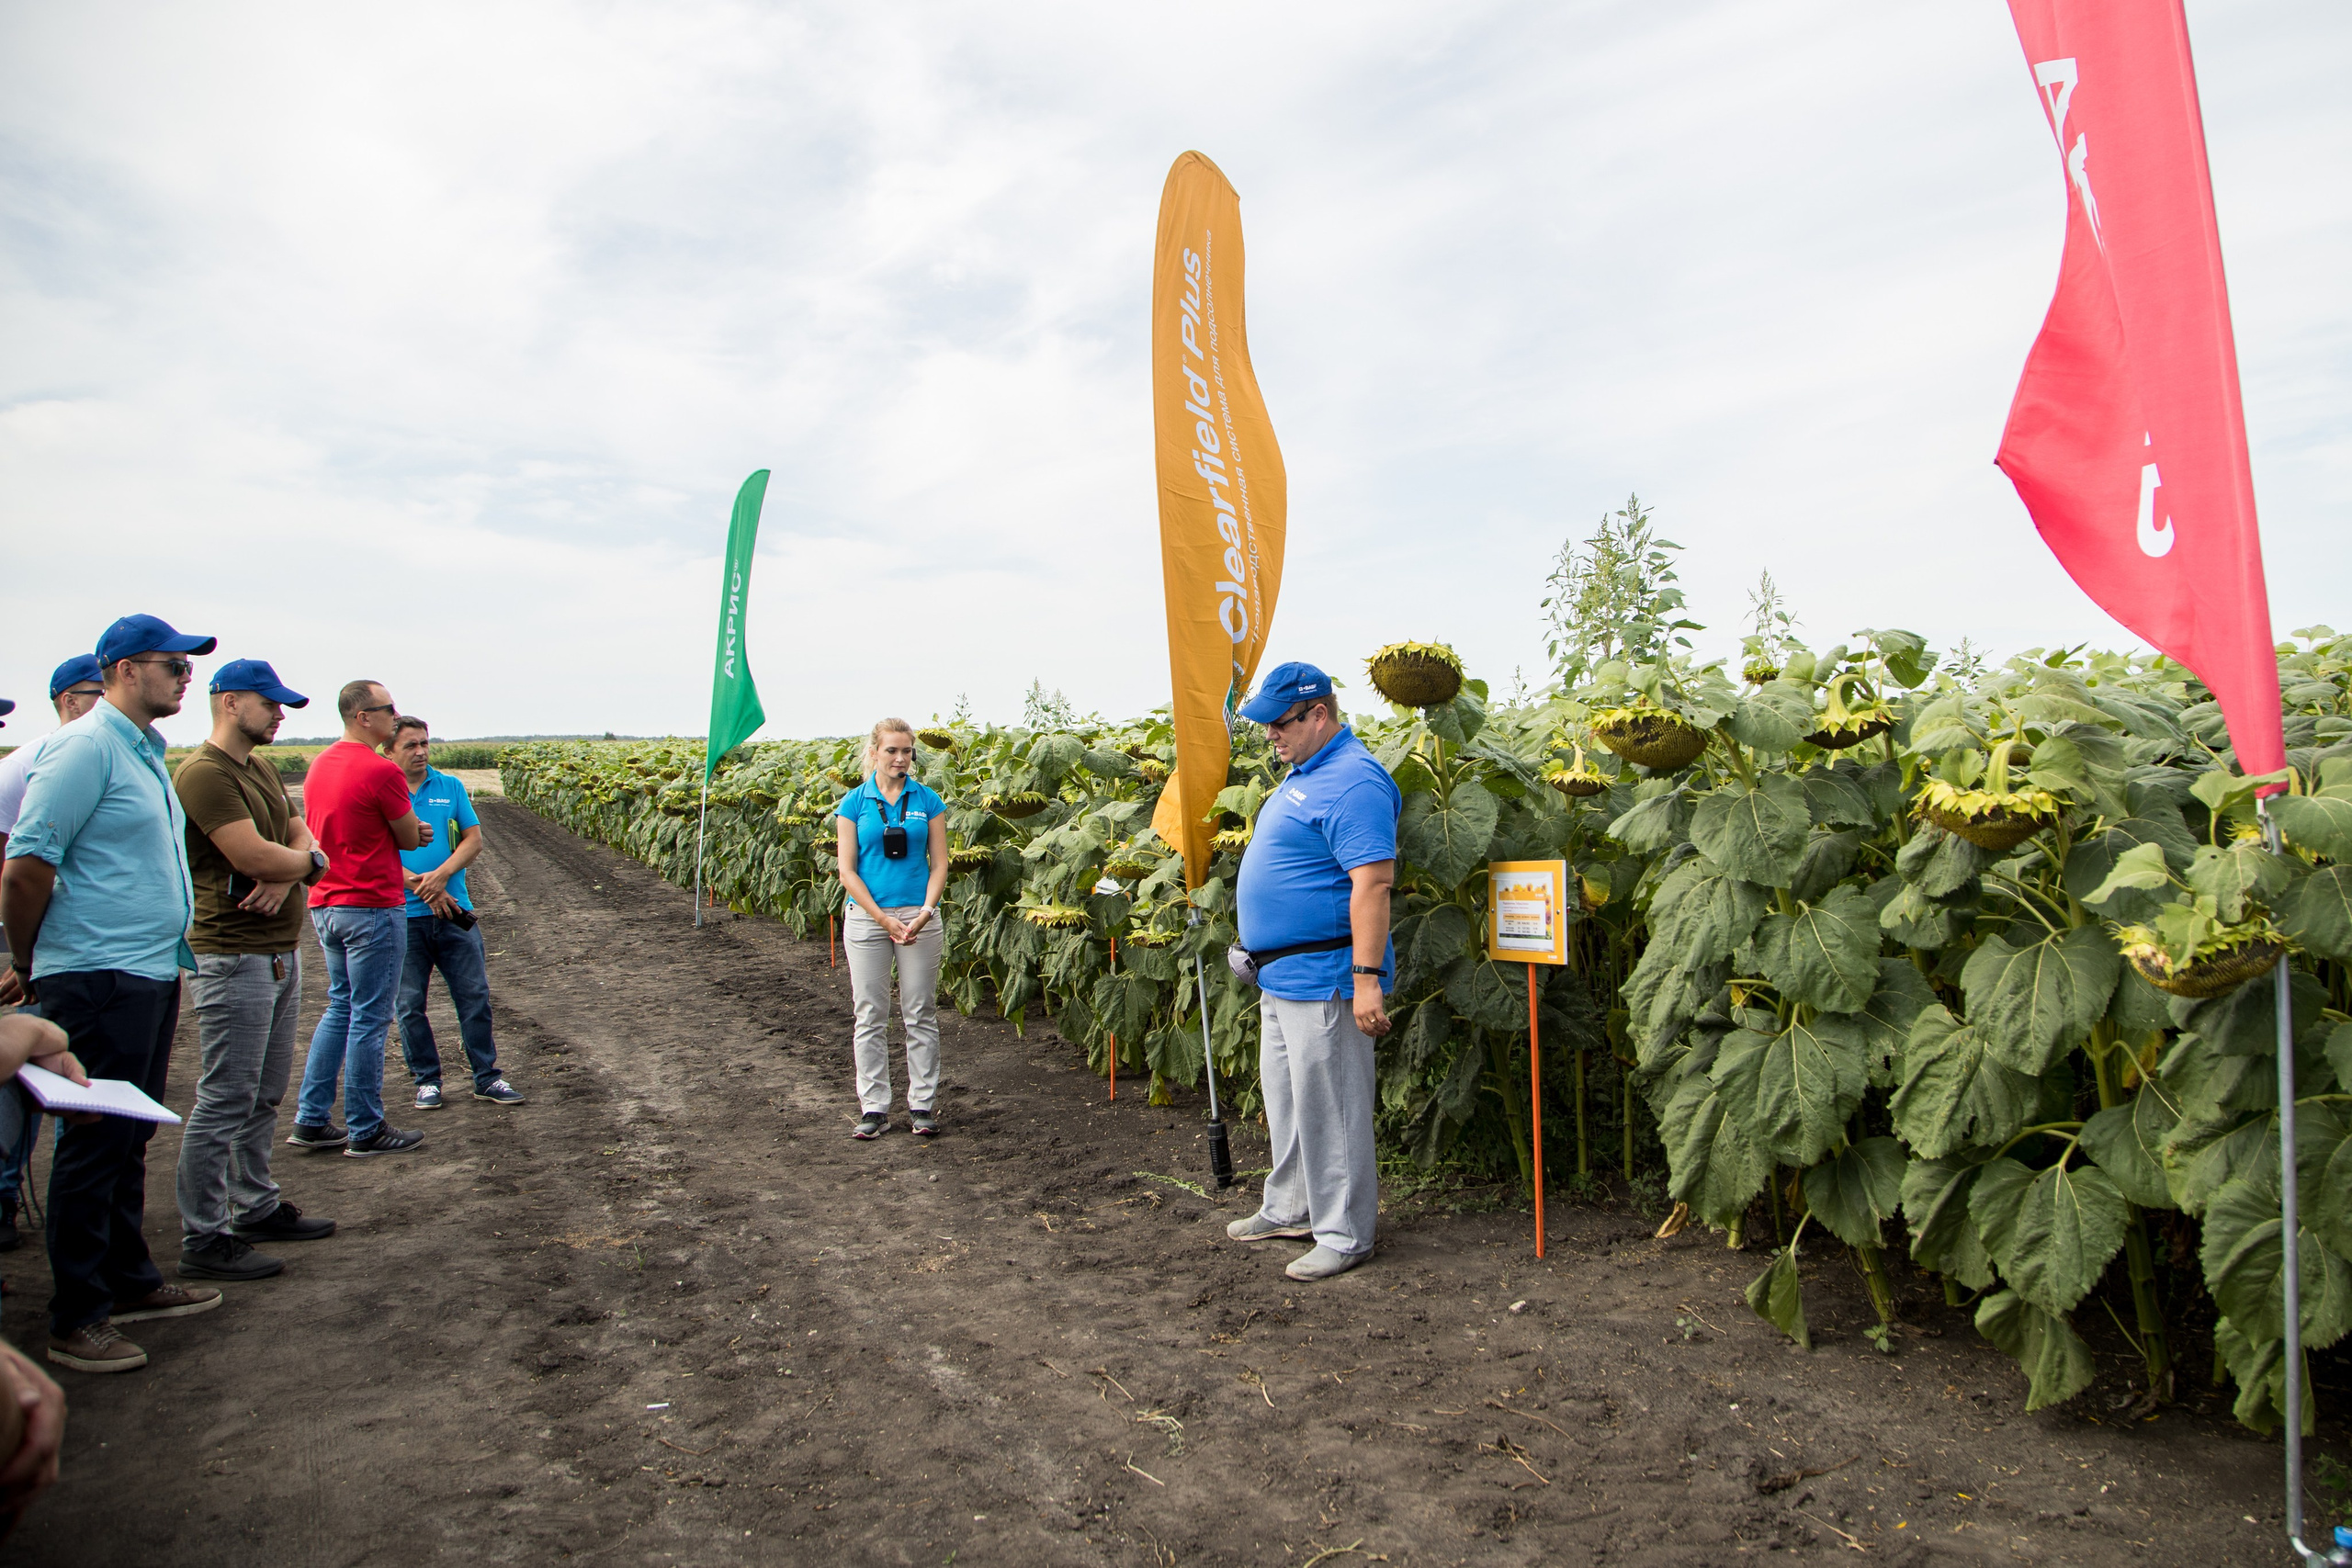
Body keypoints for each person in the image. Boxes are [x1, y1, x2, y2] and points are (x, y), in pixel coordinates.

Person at [0, 615, 229, 1371]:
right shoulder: (84, 748)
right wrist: (36, 959)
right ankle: (77, 1316)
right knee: (94, 1142)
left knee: (127, 1134)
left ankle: (130, 1280)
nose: (185, 677)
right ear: (127, 670)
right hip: (95, 974)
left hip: (147, 969)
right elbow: (28, 864)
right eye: (173, 664)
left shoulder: (141, 751)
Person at [1224, 662, 1400, 1283]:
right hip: (1281, 977)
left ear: (1318, 714)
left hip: (1329, 976)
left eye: (1280, 723)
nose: (1271, 734)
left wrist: (1367, 978)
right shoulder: (1307, 773)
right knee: (1291, 1101)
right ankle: (1292, 1206)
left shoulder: (1355, 782)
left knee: (1333, 1107)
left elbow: (1373, 882)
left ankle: (1346, 1231)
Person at [172, 660, 339, 1284]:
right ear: (230, 700)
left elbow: (302, 836)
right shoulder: (204, 774)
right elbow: (252, 852)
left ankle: (254, 1203)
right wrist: (296, 861)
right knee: (224, 1097)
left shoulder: (262, 767)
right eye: (269, 703)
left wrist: (293, 864)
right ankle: (204, 1233)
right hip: (231, 954)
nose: (279, 715)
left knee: (264, 1092)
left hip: (278, 949)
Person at [290, 680, 430, 1159]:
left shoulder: (321, 764)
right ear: (363, 717)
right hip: (371, 903)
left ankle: (311, 1119)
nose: (396, 715)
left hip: (326, 903)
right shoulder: (380, 769)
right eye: (388, 709)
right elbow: (409, 838)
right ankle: (366, 1127)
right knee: (371, 1017)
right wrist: (415, 828)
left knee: (340, 1007)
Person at [0, 655, 105, 1247]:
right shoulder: (37, 763)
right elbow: (14, 866)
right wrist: (26, 953)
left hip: (51, 943)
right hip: (36, 941)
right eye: (96, 692)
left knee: (47, 1069)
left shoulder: (103, 753)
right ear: (68, 699)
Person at [383, 716, 522, 1110]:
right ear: (388, 749)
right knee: (410, 1004)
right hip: (403, 916)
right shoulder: (381, 790)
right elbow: (373, 852)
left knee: (474, 996)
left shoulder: (450, 787)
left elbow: (473, 840)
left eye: (424, 743)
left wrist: (441, 876)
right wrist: (419, 886)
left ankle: (487, 1077)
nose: (421, 751)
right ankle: (427, 1080)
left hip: (454, 909)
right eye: (410, 745)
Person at [835, 718, 949, 1139]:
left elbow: (940, 863)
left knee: (919, 1011)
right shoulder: (854, 803)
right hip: (868, 918)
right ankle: (874, 1107)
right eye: (892, 751)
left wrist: (925, 910)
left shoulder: (928, 800)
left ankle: (922, 1104)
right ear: (874, 753)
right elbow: (847, 871)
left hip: (920, 919)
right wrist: (883, 918)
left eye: (907, 752)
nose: (901, 759)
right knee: (870, 1014)